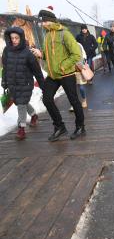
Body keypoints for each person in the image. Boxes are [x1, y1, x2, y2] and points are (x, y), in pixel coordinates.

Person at [31, 8, 86, 141]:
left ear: (50, 21)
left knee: (73, 100)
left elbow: (76, 54)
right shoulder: (47, 35)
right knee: (47, 99)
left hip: (66, 74)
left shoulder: (64, 34)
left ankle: (80, 127)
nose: (42, 24)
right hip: (53, 75)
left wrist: (62, 66)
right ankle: (60, 127)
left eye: (43, 21)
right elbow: (49, 56)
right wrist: (41, 54)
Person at [1, 27, 45, 140]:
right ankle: (34, 115)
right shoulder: (6, 51)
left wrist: (43, 85)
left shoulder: (28, 53)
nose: (14, 40)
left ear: (21, 38)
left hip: (25, 84)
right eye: (12, 38)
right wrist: (4, 81)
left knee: (21, 105)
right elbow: (5, 68)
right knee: (20, 103)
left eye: (16, 38)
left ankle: (21, 128)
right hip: (12, 84)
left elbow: (37, 71)